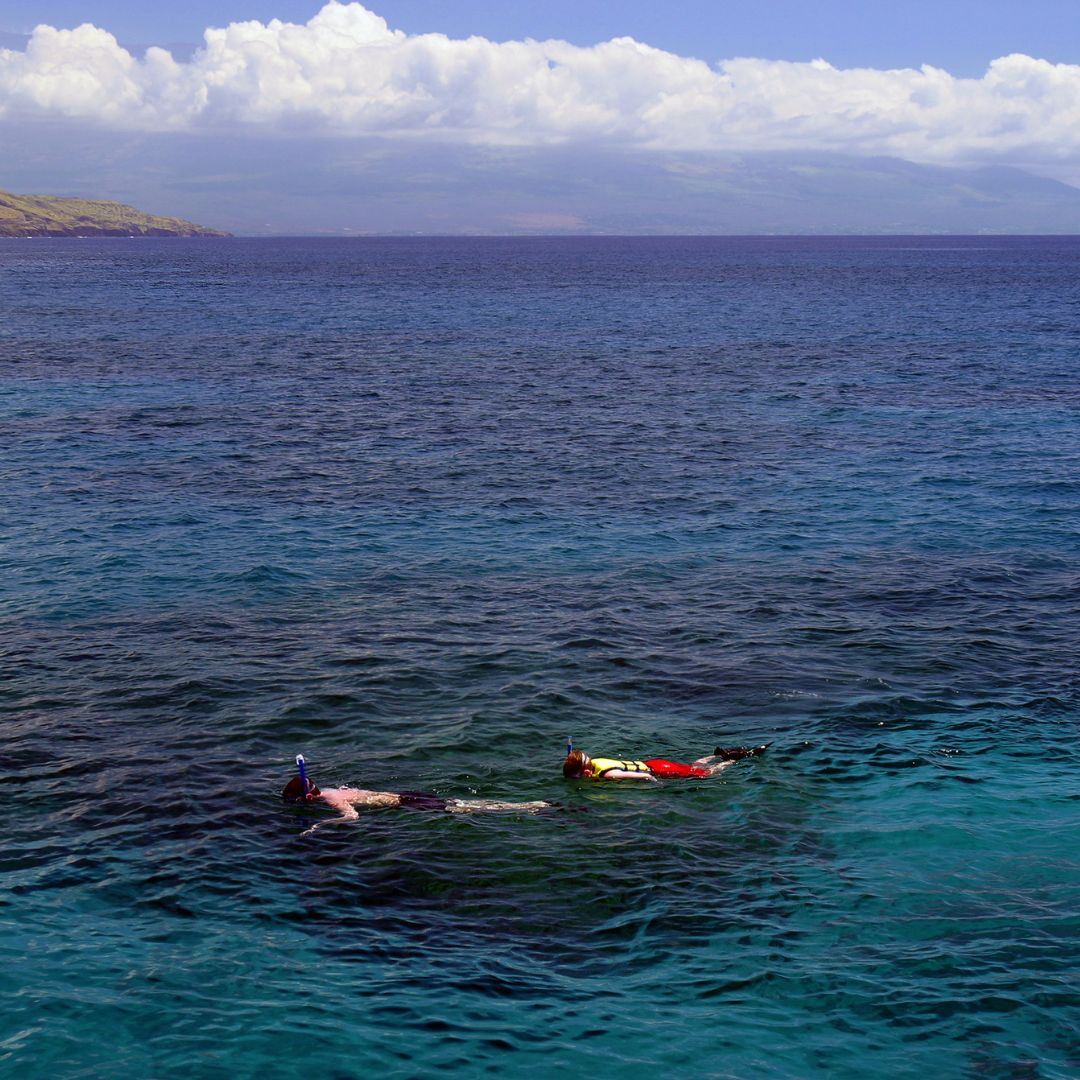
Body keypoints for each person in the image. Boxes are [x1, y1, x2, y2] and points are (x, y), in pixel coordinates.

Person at [282, 771, 561, 835]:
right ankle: (528, 805)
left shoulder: (330, 801)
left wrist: (320, 824)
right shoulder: (330, 789)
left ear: (308, 798)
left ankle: (531, 806)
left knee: (469, 809)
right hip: (405, 796)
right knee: (462, 803)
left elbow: (352, 818)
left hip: (407, 805)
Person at [562, 742, 770, 782]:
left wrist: (656, 784)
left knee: (708, 774)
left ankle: (734, 760)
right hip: (655, 762)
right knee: (693, 766)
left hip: (659, 770)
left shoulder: (608, 774)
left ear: (585, 772)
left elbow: (642, 775)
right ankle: (716, 755)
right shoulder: (595, 761)